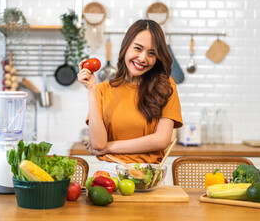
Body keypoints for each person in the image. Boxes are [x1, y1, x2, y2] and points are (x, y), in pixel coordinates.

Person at [77, 19, 183, 177]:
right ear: (126, 46)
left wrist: (109, 147)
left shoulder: (166, 87)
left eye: (151, 53)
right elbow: (98, 144)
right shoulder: (102, 90)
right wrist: (91, 90)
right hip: (111, 174)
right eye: (138, 48)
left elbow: (161, 140)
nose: (142, 58)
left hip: (149, 175)